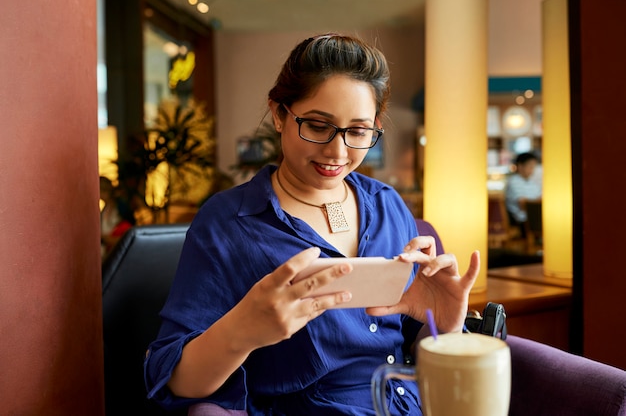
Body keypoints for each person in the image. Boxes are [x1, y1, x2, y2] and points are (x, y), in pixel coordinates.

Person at [144, 33, 479, 415]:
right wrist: (241, 331)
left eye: (357, 132)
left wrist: (446, 325)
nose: (337, 152)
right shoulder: (229, 223)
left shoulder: (387, 206)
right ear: (279, 114)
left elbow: (415, 361)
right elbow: (172, 380)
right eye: (318, 126)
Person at [505, 152, 542, 235]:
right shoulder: (513, 181)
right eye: (530, 166)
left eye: (533, 167)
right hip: (522, 222)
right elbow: (523, 204)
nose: (532, 170)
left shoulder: (531, 182)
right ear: (520, 166)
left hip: (533, 218)